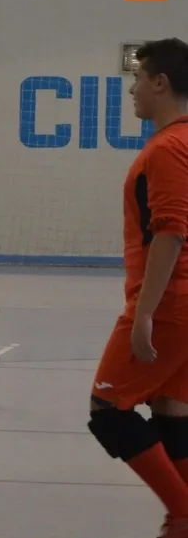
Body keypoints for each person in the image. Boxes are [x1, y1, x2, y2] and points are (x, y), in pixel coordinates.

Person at [88, 38, 188, 538]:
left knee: (108, 410)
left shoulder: (167, 148)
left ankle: (183, 515)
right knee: (171, 411)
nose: (132, 90)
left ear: (160, 83)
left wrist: (144, 313)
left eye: (137, 79)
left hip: (169, 302)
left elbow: (171, 231)